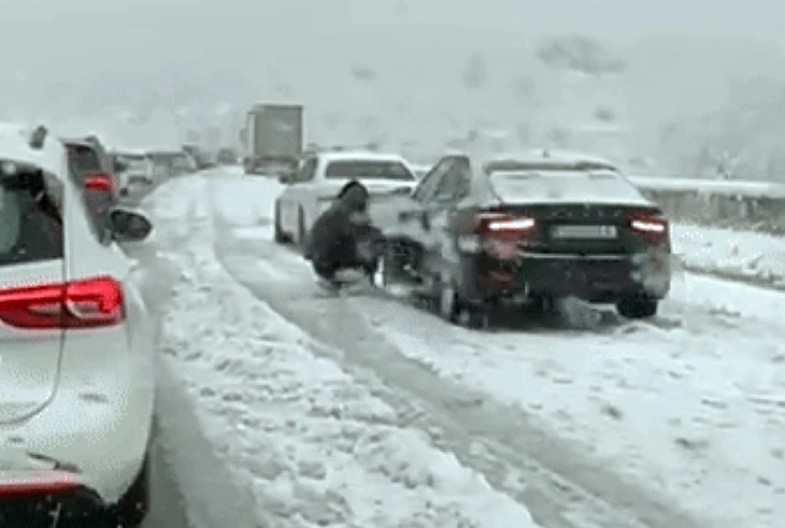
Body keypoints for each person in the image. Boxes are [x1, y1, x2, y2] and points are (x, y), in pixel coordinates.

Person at [305, 179, 384, 287]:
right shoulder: (344, 215)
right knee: (368, 254)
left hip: (321, 264)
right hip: (332, 266)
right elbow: (356, 241)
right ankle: (358, 285)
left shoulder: (333, 211)